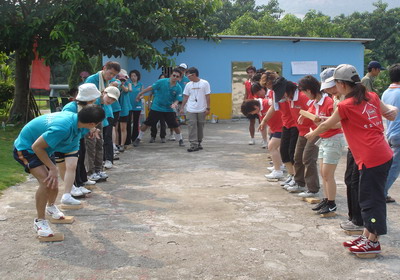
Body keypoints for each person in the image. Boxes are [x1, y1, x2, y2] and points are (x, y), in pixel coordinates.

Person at [305, 64, 397, 255]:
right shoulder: (370, 96)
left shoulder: (345, 104)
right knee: (368, 198)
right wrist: (391, 110)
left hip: (372, 156)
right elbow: (386, 111)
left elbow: (327, 126)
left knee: (372, 200)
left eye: (335, 84)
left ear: (341, 84)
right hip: (379, 153)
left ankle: (373, 241)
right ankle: (367, 236)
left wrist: (312, 133)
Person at [13, 105, 105, 237]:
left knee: (53, 181)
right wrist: (52, 168)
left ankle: (50, 207)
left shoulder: (78, 124)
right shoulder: (62, 128)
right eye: (97, 124)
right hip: (26, 148)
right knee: (46, 182)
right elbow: (36, 147)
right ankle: (40, 222)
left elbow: (69, 145)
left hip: (44, 148)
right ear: (91, 123)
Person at [298, 75, 344, 214]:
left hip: (333, 138)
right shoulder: (315, 102)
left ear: (310, 90)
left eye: (305, 92)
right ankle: (327, 199)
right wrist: (304, 115)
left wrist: (319, 128)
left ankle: (332, 203)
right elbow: (313, 115)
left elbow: (339, 123)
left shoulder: (329, 102)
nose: (304, 95)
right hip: (324, 139)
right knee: (324, 173)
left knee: (327, 174)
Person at [62, 83, 101, 200]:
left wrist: (92, 129)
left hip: (79, 137)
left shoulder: (88, 108)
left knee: (81, 159)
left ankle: (81, 182)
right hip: (69, 140)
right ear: (89, 98)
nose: (95, 100)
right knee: (73, 164)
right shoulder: (70, 108)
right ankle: (73, 187)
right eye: (94, 98)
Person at [259, 72, 298, 185]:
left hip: (295, 124)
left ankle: (296, 177)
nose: (269, 88)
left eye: (269, 85)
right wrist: (265, 120)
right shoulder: (273, 93)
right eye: (267, 87)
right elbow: (274, 107)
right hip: (286, 123)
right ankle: (291, 175)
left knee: (293, 153)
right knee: (284, 152)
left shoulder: (291, 88)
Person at [84, 61, 120, 180]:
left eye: (113, 75)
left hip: (100, 116)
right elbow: (86, 100)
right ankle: (90, 172)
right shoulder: (92, 80)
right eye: (110, 73)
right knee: (91, 145)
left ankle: (98, 169)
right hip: (90, 117)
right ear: (104, 68)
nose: (111, 76)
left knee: (100, 144)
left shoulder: (106, 81)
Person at [133, 68, 185, 147]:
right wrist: (140, 93)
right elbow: (151, 88)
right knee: (147, 123)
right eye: (174, 75)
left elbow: (178, 99)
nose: (175, 77)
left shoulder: (178, 88)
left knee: (175, 125)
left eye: (177, 76)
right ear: (171, 75)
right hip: (156, 107)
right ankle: (138, 139)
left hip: (168, 108)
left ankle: (180, 140)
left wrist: (175, 103)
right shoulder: (162, 82)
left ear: (179, 78)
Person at [179, 67, 211, 152]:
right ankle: (193, 144)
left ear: (194, 75)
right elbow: (185, 97)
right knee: (192, 126)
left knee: (200, 126)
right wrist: (182, 107)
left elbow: (207, 96)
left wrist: (208, 108)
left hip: (202, 109)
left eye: (188, 75)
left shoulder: (205, 83)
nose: (187, 77)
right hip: (191, 109)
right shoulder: (188, 85)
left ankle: (199, 142)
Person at [381, 63, 400, 203]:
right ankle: (381, 192)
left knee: (392, 166)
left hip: (391, 132)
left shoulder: (386, 93)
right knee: (393, 168)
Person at [126, 70, 144, 145]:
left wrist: (140, 97)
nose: (133, 77)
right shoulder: (128, 84)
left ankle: (135, 138)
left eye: (135, 76)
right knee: (128, 122)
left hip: (137, 105)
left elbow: (142, 94)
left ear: (138, 77)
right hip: (129, 105)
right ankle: (128, 138)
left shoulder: (140, 85)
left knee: (136, 122)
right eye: (132, 76)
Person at [243, 66, 259, 145]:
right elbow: (246, 93)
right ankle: (252, 139)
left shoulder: (258, 82)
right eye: (248, 73)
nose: (250, 74)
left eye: (251, 72)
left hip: (258, 104)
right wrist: (244, 103)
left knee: (262, 122)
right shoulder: (246, 83)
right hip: (250, 104)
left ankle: (265, 140)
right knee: (251, 122)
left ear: (255, 73)